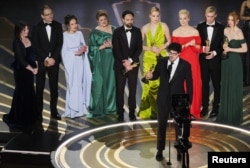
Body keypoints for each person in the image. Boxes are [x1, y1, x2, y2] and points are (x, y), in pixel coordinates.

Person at [145, 42, 192, 161]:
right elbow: (155, 75)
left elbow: (190, 85)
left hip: (179, 99)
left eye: (173, 54)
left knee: (178, 126)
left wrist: (188, 101)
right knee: (161, 125)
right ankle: (160, 150)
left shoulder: (185, 65)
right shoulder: (161, 61)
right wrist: (150, 76)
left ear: (179, 53)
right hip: (163, 98)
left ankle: (179, 150)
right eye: (169, 53)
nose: (170, 55)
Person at [3, 21, 38, 129]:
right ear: (20, 31)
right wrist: (32, 69)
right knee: (22, 92)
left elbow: (33, 54)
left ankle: (30, 116)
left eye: (27, 29)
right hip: (21, 71)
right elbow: (21, 60)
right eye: (25, 30)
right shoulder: (17, 42)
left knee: (30, 91)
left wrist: (36, 66)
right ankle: (19, 117)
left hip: (30, 70)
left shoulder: (30, 39)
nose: (27, 31)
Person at [138, 6, 171, 120]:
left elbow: (169, 41)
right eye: (153, 16)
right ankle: (148, 111)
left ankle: (161, 110)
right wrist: (150, 49)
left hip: (161, 56)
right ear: (149, 16)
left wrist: (160, 48)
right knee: (149, 83)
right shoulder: (144, 28)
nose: (156, 18)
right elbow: (139, 45)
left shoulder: (164, 26)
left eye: (157, 16)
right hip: (148, 58)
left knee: (161, 84)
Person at [32, 5, 63, 121]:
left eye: (51, 13)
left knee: (54, 87)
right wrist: (46, 58)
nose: (51, 16)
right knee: (39, 88)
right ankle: (38, 113)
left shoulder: (58, 26)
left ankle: (54, 111)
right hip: (41, 61)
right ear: (42, 16)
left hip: (54, 62)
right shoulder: (37, 27)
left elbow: (59, 44)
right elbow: (36, 46)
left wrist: (53, 58)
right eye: (48, 14)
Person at [217, 11, 247, 126]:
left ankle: (234, 116)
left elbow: (245, 49)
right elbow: (224, 44)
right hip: (225, 62)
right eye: (228, 20)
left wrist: (230, 49)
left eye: (232, 20)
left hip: (235, 62)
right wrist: (224, 47)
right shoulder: (225, 30)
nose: (229, 22)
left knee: (234, 87)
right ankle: (224, 114)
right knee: (225, 85)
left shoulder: (239, 32)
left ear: (237, 21)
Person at [112, 10, 143, 122]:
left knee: (133, 90)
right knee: (120, 90)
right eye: (128, 19)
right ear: (123, 20)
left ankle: (132, 113)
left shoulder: (137, 31)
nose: (130, 21)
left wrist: (130, 60)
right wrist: (124, 62)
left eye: (131, 19)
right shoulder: (117, 32)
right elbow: (116, 49)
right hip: (120, 66)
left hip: (133, 65)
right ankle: (120, 113)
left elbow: (139, 48)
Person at [172, 9, 202, 120]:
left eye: (185, 18)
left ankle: (193, 110)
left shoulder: (195, 32)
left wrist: (193, 45)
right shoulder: (175, 32)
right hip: (180, 62)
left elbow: (199, 49)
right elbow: (174, 50)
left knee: (193, 85)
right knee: (180, 85)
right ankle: (181, 110)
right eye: (180, 19)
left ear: (188, 18)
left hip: (193, 62)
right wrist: (188, 44)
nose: (183, 21)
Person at [61, 14, 92, 118]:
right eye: (72, 24)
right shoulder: (64, 35)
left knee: (80, 84)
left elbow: (83, 46)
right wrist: (76, 53)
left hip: (80, 63)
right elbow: (64, 52)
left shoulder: (79, 34)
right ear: (68, 26)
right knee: (73, 85)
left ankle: (82, 108)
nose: (75, 26)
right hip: (71, 64)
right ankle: (72, 109)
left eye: (76, 23)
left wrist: (84, 49)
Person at [197, 6, 224, 118]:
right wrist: (203, 50)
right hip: (203, 60)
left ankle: (215, 108)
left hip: (215, 61)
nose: (209, 19)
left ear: (216, 15)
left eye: (212, 17)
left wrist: (214, 53)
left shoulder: (221, 27)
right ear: (205, 15)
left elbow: (223, 45)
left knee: (216, 85)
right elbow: (197, 43)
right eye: (208, 16)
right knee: (204, 85)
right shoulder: (200, 26)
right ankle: (205, 107)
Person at [88, 10, 116, 118]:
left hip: (113, 60)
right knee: (101, 82)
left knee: (112, 83)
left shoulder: (114, 29)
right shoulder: (94, 33)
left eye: (105, 19)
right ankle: (100, 107)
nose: (103, 21)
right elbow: (91, 50)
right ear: (97, 21)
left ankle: (111, 107)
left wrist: (113, 45)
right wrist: (103, 46)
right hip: (100, 61)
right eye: (101, 20)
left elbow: (120, 43)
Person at [240, 0, 250, 86]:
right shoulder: (245, 3)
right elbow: (241, 16)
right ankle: (245, 79)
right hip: (247, 30)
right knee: (245, 55)